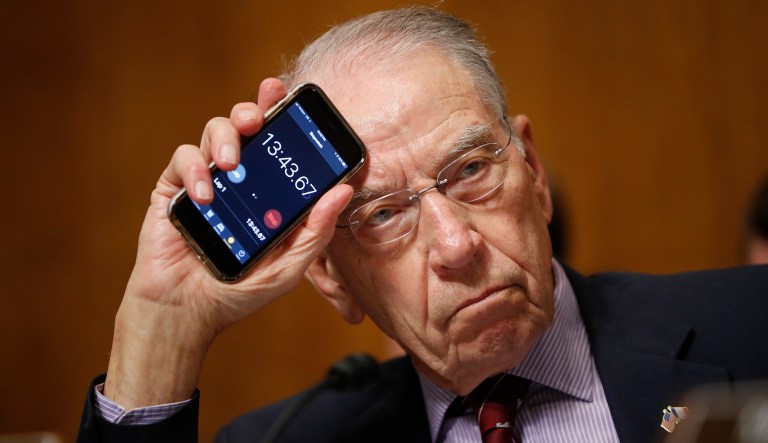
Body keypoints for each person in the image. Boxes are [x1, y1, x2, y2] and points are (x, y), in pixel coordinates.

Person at [77, 6, 768, 443]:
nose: (457, 245)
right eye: (382, 214)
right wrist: (163, 326)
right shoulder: (283, 439)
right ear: (330, 276)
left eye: (470, 170)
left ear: (532, 170)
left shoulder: (753, 325)